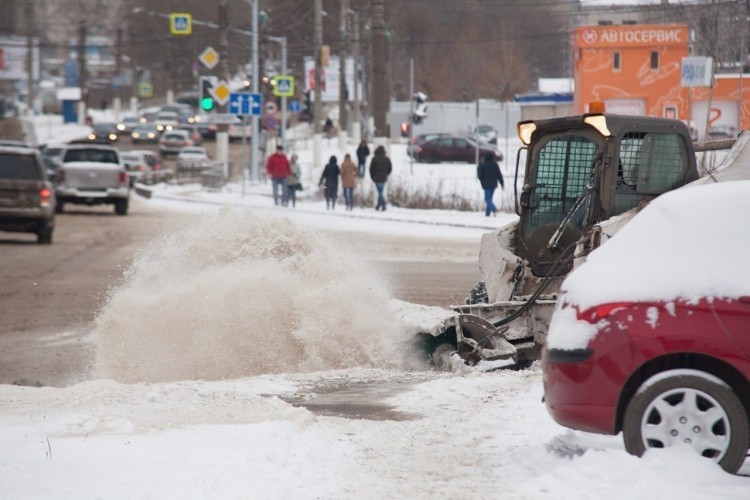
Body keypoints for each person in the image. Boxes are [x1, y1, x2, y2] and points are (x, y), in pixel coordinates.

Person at [477, 152, 504, 217]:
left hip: (486, 184)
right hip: (494, 184)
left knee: (487, 198)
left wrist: (481, 180)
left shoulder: (482, 165)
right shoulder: (495, 165)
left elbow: (480, 175)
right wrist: (502, 183)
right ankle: (487, 214)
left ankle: (493, 208)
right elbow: (499, 175)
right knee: (489, 198)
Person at [369, 145, 392, 211]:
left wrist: (372, 176)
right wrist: (386, 174)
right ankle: (379, 205)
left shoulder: (374, 158)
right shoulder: (386, 158)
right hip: (384, 177)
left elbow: (371, 168)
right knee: (380, 191)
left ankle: (383, 204)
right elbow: (390, 168)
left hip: (376, 177)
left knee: (380, 192)